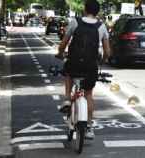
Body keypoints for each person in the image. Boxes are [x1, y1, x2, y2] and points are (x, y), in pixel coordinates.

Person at [56, 0, 111, 139]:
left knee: (67, 72)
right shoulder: (102, 27)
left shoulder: (75, 22)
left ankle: (68, 98)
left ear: (85, 10)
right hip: (90, 66)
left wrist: (60, 53)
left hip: (74, 62)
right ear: (97, 12)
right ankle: (89, 127)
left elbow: (64, 43)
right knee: (88, 95)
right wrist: (102, 61)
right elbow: (107, 51)